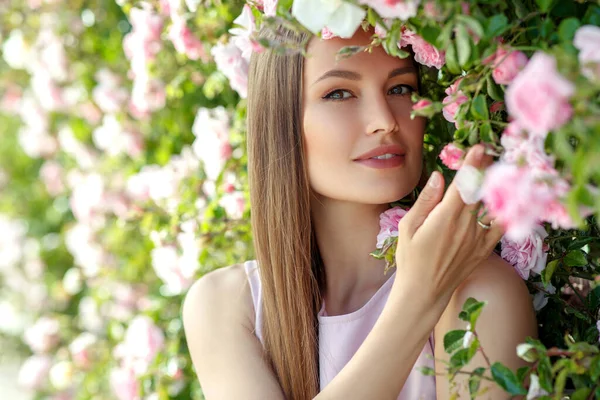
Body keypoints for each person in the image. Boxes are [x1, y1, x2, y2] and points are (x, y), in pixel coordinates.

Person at [182, 24, 538, 400]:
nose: (384, 119)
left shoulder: (479, 292)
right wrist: (418, 299)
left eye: (400, 88)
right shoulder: (226, 305)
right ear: (281, 121)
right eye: (339, 93)